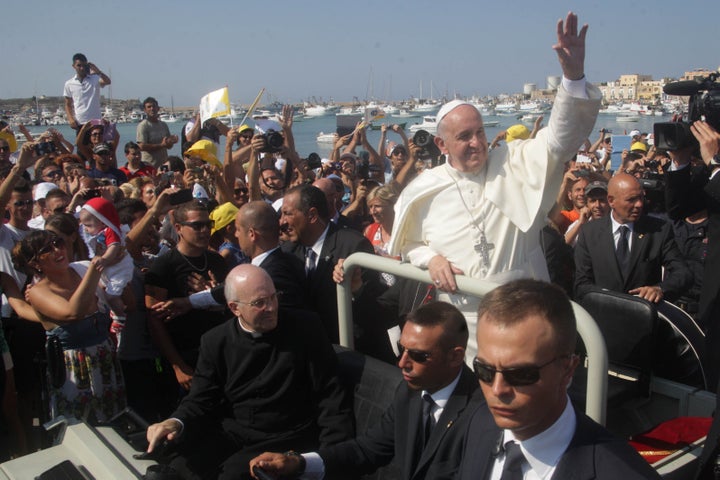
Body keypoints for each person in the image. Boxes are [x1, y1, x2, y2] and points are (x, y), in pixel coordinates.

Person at [387, 12, 601, 363]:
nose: (477, 143)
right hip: (460, 321)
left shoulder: (513, 162)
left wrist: (573, 77)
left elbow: (561, 139)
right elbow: (410, 244)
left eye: (480, 133)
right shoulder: (425, 188)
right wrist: (432, 258)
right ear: (442, 145)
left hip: (524, 314)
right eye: (464, 137)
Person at [145, 265, 354, 480]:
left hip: (285, 437)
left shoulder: (306, 328)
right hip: (232, 434)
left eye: (274, 297)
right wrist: (175, 422)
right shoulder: (216, 341)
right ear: (235, 308)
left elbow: (331, 397)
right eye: (259, 303)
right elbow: (200, 399)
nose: (272, 308)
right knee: (178, 469)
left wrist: (331, 459)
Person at [250, 301, 480, 480]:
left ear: (455, 356)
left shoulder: (482, 416)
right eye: (402, 349)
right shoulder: (409, 392)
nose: (402, 363)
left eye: (419, 355)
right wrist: (299, 464)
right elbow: (367, 450)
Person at [457, 279, 660, 479]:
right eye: (484, 370)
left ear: (567, 369)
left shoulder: (621, 473)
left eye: (520, 374)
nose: (497, 389)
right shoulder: (479, 421)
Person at [12, 231, 126, 423]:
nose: (58, 250)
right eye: (47, 249)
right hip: (75, 369)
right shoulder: (39, 291)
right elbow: (72, 312)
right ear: (35, 264)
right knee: (83, 427)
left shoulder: (80, 269)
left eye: (58, 242)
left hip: (104, 359)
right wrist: (94, 269)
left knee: (115, 421)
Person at [144, 200, 229, 393]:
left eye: (208, 225)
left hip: (220, 351)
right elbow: (155, 320)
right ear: (178, 228)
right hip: (186, 355)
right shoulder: (163, 266)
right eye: (197, 226)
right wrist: (178, 366)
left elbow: (229, 301)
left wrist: (211, 296)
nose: (205, 230)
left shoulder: (217, 261)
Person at [574, 173, 691, 303]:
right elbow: (582, 284)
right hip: (604, 316)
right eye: (631, 200)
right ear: (611, 200)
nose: (639, 204)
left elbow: (683, 274)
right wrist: (607, 299)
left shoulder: (659, 230)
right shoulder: (589, 232)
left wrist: (660, 289)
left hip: (644, 317)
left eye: (641, 198)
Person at [79, 197, 135, 332]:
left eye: (89, 225)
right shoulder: (99, 233)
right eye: (85, 225)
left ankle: (120, 316)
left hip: (119, 268)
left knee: (112, 295)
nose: (86, 229)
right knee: (105, 292)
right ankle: (116, 311)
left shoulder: (110, 231)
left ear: (103, 222)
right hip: (109, 269)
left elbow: (114, 247)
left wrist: (104, 259)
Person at [63, 53, 111, 130]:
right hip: (80, 122)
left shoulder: (95, 79)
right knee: (81, 142)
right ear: (73, 66)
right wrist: (70, 119)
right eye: (79, 65)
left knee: (98, 142)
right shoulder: (69, 84)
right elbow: (68, 104)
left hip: (96, 121)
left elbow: (108, 81)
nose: (82, 68)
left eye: (84, 65)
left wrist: (98, 71)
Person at [564, 180, 610, 246]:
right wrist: (580, 224)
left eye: (602, 200)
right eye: (593, 201)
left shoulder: (617, 224)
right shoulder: (579, 224)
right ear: (587, 204)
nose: (597, 205)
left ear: (609, 202)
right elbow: (563, 246)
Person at [136, 97, 179, 168]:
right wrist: (161, 145)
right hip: (149, 166)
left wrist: (171, 141)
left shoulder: (163, 125)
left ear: (158, 108)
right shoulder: (143, 126)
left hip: (164, 165)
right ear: (145, 110)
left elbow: (168, 146)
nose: (152, 108)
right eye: (149, 107)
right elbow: (141, 146)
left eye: (154, 106)